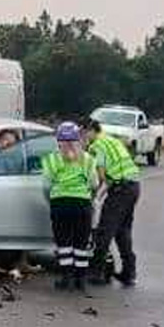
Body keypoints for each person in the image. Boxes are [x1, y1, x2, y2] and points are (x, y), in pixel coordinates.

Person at [40, 122, 98, 290]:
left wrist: (51, 201)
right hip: (82, 204)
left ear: (58, 141)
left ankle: (66, 278)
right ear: (78, 140)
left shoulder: (51, 159)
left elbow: (46, 186)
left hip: (60, 204)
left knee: (63, 242)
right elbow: (94, 184)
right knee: (81, 243)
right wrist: (89, 198)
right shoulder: (88, 160)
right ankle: (80, 279)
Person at [86, 118, 141, 287]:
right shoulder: (112, 140)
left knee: (104, 231)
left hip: (120, 190)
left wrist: (94, 195)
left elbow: (102, 177)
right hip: (133, 187)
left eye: (84, 133)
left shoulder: (96, 146)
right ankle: (129, 272)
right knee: (122, 230)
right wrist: (102, 195)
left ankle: (98, 273)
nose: (83, 138)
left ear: (90, 130)